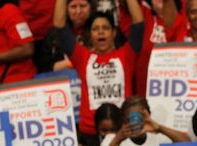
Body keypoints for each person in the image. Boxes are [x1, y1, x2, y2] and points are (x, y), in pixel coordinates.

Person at [51, 0, 144, 137]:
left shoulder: (126, 55)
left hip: (123, 130)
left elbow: (139, 24)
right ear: (90, 35)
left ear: (114, 33)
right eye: (95, 29)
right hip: (90, 133)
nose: (100, 32)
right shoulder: (82, 57)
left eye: (105, 28)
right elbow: (59, 26)